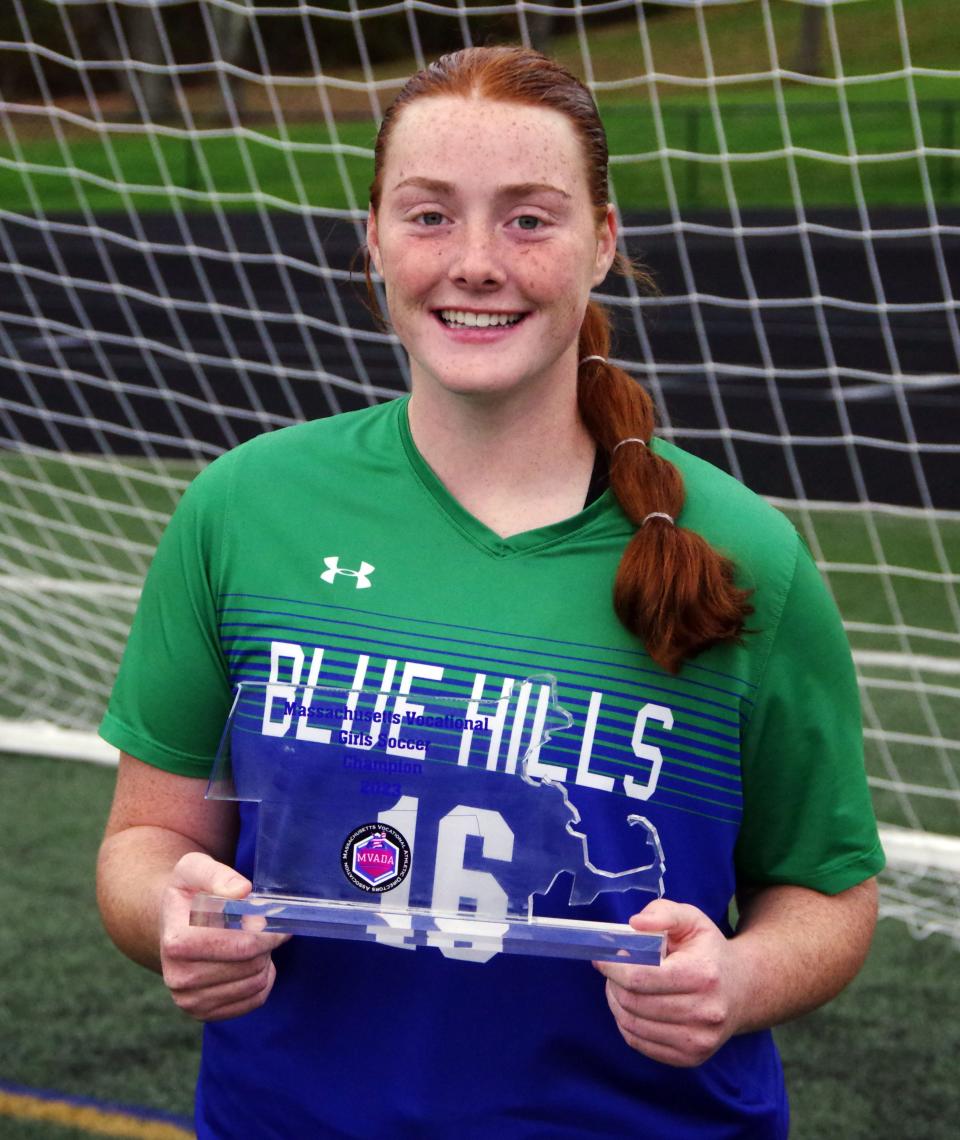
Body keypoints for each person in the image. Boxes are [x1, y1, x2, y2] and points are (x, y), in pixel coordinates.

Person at [97, 46, 884, 1139]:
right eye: (428, 216)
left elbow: (828, 889)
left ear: (602, 241)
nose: (474, 262)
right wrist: (171, 916)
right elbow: (141, 842)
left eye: (528, 218)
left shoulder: (741, 550)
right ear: (370, 235)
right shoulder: (243, 511)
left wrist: (739, 982)